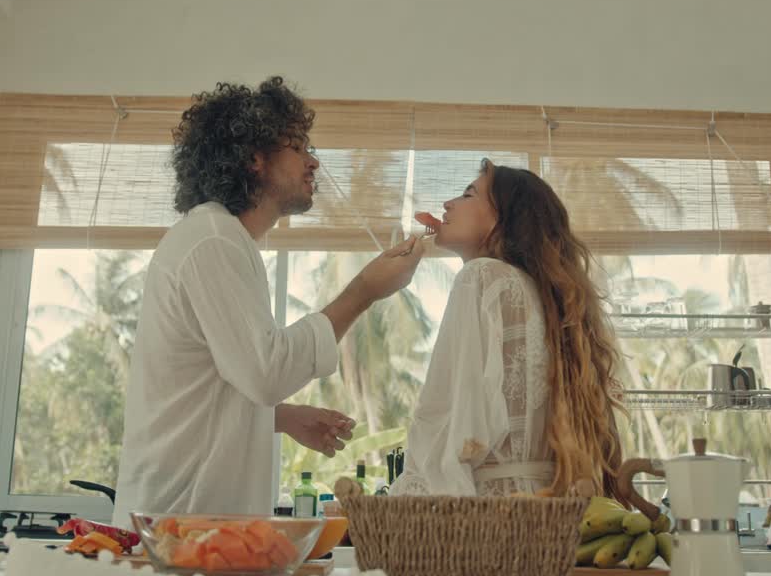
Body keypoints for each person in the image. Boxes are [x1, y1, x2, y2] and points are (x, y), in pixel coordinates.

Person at [112, 76, 424, 520]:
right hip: (180, 522)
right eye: (297, 146)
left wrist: (282, 417)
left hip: (193, 521)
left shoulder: (222, 240)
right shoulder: (213, 240)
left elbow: (211, 382)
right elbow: (265, 371)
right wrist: (363, 293)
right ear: (254, 158)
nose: (313, 161)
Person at [393, 159, 625, 499]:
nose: (447, 204)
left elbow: (448, 427)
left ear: (506, 219)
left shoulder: (481, 277)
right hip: (549, 509)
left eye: (468, 194)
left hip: (491, 517)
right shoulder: (543, 298)